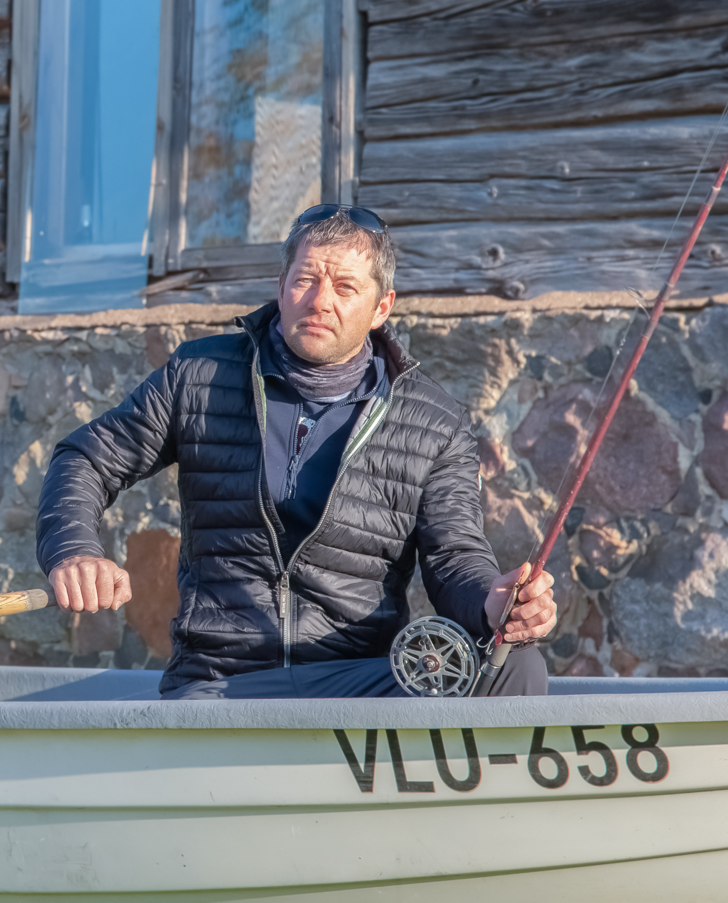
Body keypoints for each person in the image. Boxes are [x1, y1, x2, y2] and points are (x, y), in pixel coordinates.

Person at [37, 204, 556, 699]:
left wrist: (494, 601)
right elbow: (86, 459)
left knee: (518, 661)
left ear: (381, 308)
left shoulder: (434, 422)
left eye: (345, 286)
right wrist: (76, 551)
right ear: (281, 288)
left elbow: (454, 557)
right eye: (305, 279)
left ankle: (468, 794)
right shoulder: (198, 376)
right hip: (221, 682)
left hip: (359, 682)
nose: (320, 301)